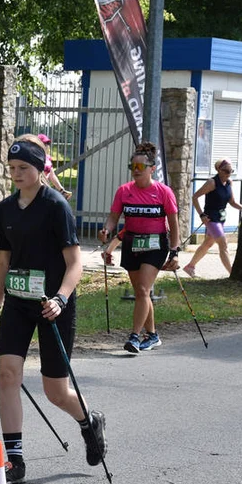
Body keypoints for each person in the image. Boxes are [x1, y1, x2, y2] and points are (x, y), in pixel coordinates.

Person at [0, 135, 106, 484]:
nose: (16, 174)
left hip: (53, 307)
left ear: (39, 169)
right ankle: (15, 460)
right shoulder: (5, 209)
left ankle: (89, 421)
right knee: (8, 375)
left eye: (23, 168)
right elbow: (3, 263)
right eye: (12, 169)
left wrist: (61, 298)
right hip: (19, 304)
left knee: (55, 391)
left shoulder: (55, 207)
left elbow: (75, 263)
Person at [99, 141, 180, 353]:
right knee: (141, 292)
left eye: (140, 167)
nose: (135, 171)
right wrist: (106, 230)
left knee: (143, 289)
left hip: (155, 244)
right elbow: (113, 217)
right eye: (132, 167)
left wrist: (174, 251)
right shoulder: (124, 191)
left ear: (152, 169)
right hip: (132, 243)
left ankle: (134, 337)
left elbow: (173, 223)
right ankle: (153, 335)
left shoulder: (163, 192)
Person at [182, 158, 242, 277]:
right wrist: (201, 215)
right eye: (226, 171)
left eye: (231, 171)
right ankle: (232, 274)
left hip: (221, 218)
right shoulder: (211, 182)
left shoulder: (229, 182)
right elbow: (195, 197)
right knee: (223, 244)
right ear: (219, 170)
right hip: (211, 218)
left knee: (208, 244)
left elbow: (232, 202)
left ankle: (190, 266)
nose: (228, 173)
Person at [38, 133, 72, 200]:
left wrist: (61, 190)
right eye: (44, 144)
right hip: (36, 188)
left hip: (45, 187)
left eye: (47, 144)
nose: (47, 146)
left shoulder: (47, 158)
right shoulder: (33, 157)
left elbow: (52, 175)